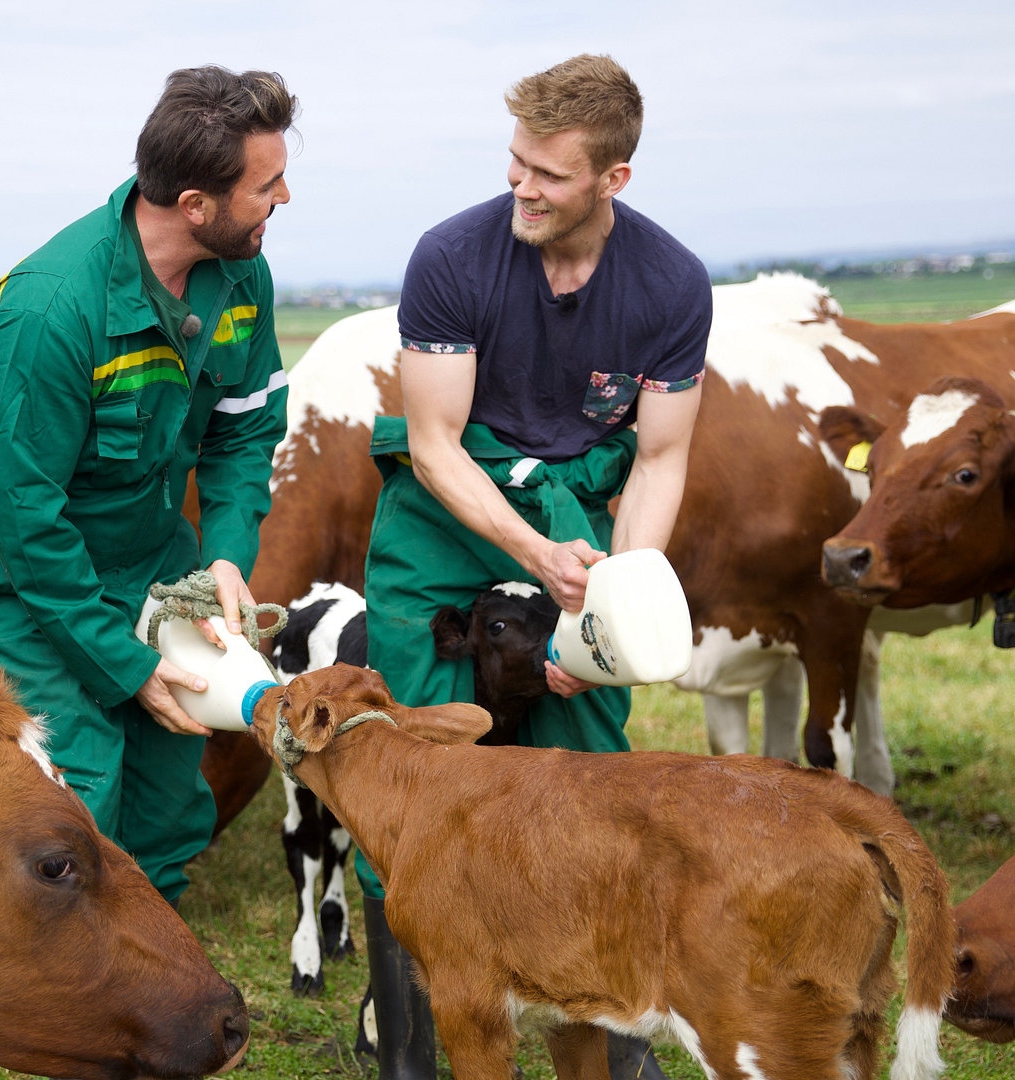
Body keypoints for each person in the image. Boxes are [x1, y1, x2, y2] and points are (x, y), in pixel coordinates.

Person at [356, 55, 708, 1080]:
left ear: (614, 178)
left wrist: (605, 619)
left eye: (549, 174)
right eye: (515, 163)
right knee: (416, 781)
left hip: (582, 531)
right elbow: (433, 444)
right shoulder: (453, 257)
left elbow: (661, 456)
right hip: (449, 519)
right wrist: (534, 558)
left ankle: (605, 1044)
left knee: (593, 785)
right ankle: (413, 1044)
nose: (522, 187)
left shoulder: (672, 283)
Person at [0, 66, 294, 905]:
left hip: (152, 563)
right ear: (194, 204)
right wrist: (128, 666)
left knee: (172, 797)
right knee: (83, 792)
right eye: (267, 184)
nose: (285, 199)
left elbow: (245, 427)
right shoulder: (51, 312)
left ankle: (150, 961)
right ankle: (60, 991)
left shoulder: (242, 277)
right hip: (33, 583)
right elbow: (25, 520)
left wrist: (225, 557)